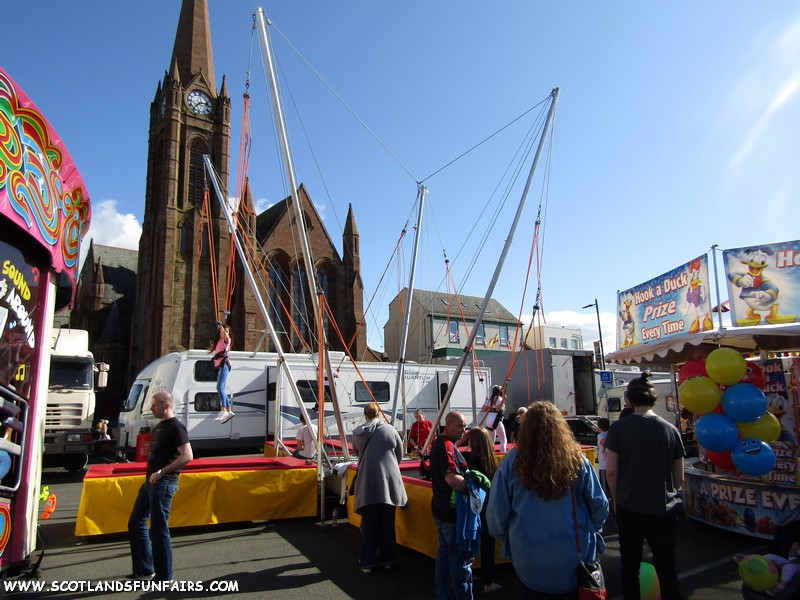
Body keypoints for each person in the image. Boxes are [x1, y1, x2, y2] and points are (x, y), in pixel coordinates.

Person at [487, 400, 608, 598]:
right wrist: (592, 535)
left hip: (527, 559)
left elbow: (495, 517)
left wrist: (510, 543)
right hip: (574, 558)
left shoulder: (512, 462)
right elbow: (600, 505)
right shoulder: (577, 460)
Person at [606, 371, 685, 600]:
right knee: (666, 567)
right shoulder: (670, 430)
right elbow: (678, 476)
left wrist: (616, 499)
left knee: (630, 567)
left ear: (629, 400)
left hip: (629, 507)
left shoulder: (618, 429)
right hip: (663, 508)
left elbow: (611, 470)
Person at [127, 391, 193, 581]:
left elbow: (187, 456)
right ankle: (145, 569)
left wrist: (162, 472)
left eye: (154, 404)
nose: (151, 408)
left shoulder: (176, 427)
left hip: (164, 483)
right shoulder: (160, 426)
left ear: (166, 406)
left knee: (158, 529)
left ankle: (165, 576)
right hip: (150, 482)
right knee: (135, 522)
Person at [352, 402, 408, 573]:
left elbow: (357, 453)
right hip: (389, 483)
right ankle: (388, 559)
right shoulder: (391, 430)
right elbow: (399, 454)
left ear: (365, 414)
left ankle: (368, 562)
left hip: (368, 482)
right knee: (387, 524)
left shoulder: (358, 433)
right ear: (380, 413)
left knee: (369, 524)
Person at [430, 410, 473, 599]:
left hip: (440, 508)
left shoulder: (441, 443)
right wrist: (474, 487)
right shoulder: (446, 446)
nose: (463, 430)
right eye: (460, 426)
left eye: (465, 426)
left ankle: (443, 594)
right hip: (452, 512)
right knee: (459, 559)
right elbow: (451, 478)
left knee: (445, 554)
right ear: (448, 425)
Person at [463, 427, 500, 594]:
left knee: (470, 540)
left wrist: (461, 441)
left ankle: (470, 572)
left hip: (472, 505)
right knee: (487, 543)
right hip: (488, 506)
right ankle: (488, 580)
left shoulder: (468, 458)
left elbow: (454, 452)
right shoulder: (492, 462)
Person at [209, 321, 233, 423]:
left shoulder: (226, 341)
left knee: (220, 387)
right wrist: (220, 328)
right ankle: (229, 410)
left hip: (224, 365)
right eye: (224, 331)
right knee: (220, 387)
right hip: (220, 366)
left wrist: (221, 327)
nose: (225, 333)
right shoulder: (219, 341)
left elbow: (225, 335)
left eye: (227, 332)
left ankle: (223, 409)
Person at [482, 385, 507, 453]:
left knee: (491, 442)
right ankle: (503, 455)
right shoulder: (499, 398)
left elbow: (483, 409)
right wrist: (503, 400)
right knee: (503, 441)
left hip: (489, 420)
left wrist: (486, 401)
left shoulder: (490, 399)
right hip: (496, 419)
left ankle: (490, 455)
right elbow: (498, 409)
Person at [596, 417, 611, 504]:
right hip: (609, 463)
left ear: (599, 427)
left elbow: (604, 442)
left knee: (604, 486)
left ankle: (607, 502)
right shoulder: (610, 434)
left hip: (604, 465)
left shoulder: (600, 435)